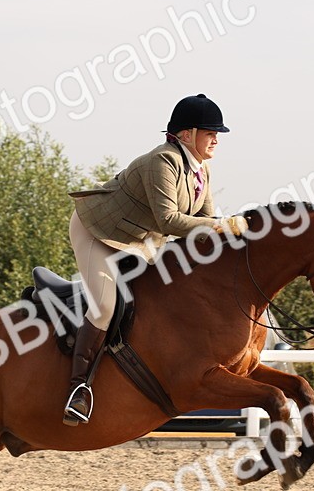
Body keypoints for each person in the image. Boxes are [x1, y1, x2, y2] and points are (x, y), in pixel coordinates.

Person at [62, 93, 250, 426]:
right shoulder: (162, 161)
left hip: (137, 241)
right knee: (105, 305)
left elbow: (203, 228)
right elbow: (170, 222)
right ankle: (78, 389)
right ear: (187, 135)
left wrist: (234, 241)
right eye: (210, 132)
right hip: (98, 232)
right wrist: (222, 225)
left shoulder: (201, 171)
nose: (216, 139)